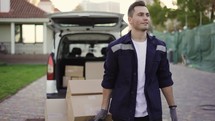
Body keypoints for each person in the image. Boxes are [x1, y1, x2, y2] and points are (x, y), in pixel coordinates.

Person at [94, 1, 178, 121]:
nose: (145, 18)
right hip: (122, 113)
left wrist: (172, 108)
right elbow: (109, 79)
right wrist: (104, 108)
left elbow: (165, 79)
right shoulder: (116, 47)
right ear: (130, 20)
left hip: (151, 114)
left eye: (147, 15)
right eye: (140, 15)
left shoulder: (159, 47)